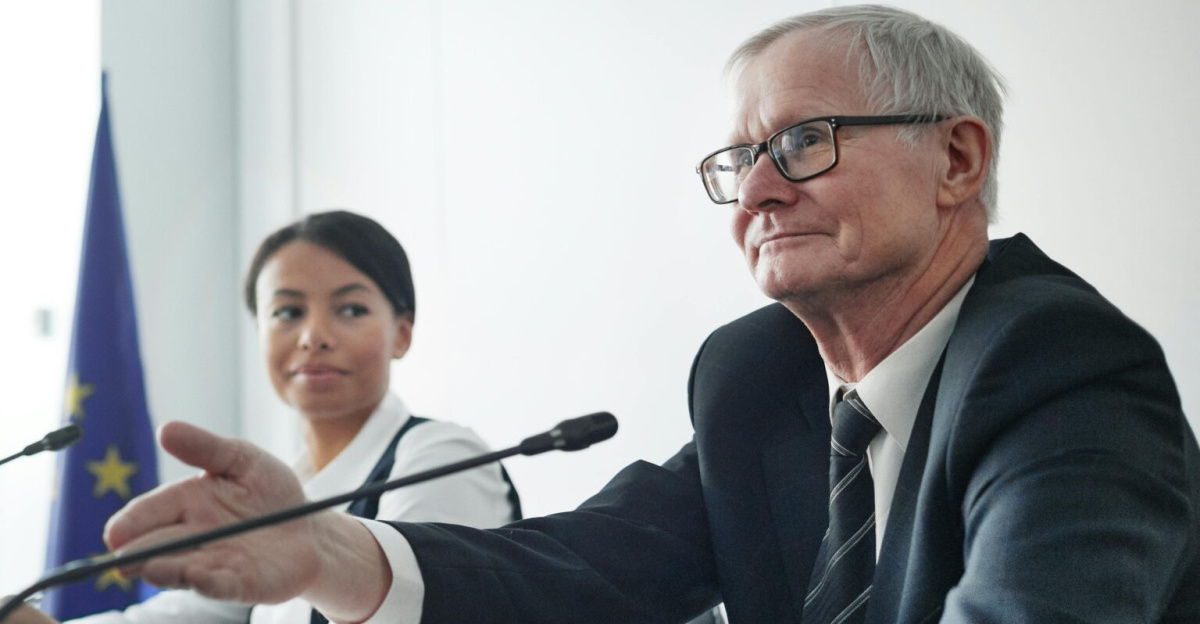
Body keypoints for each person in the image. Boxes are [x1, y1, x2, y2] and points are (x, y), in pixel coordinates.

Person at [52, 6, 1200, 624]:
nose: (754, 190)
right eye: (739, 158)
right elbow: (584, 570)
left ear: (957, 158)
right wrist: (324, 551)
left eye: (803, 142)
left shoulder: (1060, 367)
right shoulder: (764, 377)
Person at [9, 211, 521, 624]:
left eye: (350, 310)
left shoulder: (442, 454)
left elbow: (435, 606)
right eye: (287, 312)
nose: (312, 336)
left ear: (402, 333)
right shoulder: (286, 485)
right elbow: (195, 613)